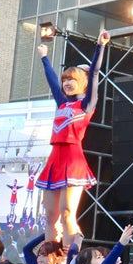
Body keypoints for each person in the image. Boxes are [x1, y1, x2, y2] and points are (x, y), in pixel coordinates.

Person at [35, 30, 109, 245]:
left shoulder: (86, 104)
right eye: (65, 79)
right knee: (50, 216)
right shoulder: (62, 102)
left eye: (72, 79)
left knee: (67, 212)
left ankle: (70, 258)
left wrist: (100, 45)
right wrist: (44, 58)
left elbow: (94, 73)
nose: (67, 83)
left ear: (82, 83)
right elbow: (51, 82)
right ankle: (50, 259)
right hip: (54, 159)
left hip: (72, 160)